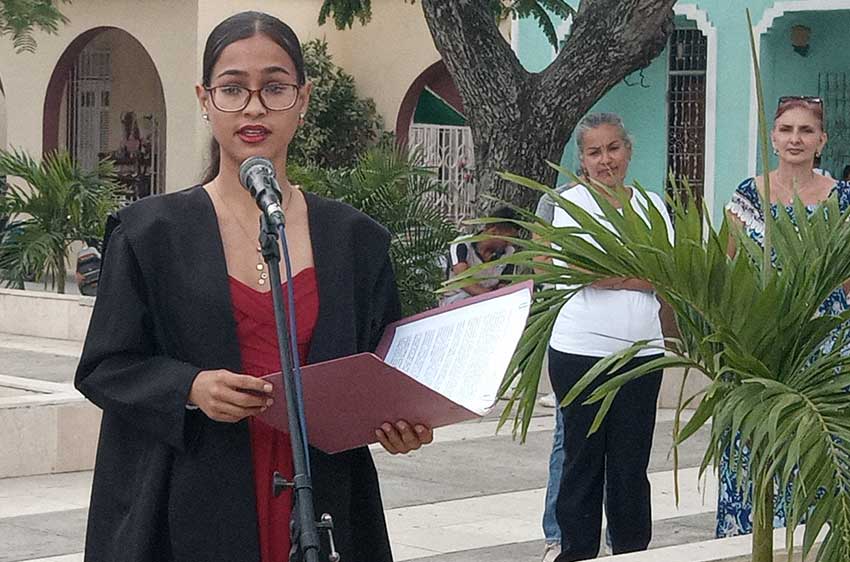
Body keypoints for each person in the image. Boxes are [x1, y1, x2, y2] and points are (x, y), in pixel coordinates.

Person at [74, 11, 432, 562]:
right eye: (233, 89)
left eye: (275, 87)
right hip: (193, 496)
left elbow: (386, 369)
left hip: (323, 497)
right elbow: (105, 367)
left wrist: (403, 421)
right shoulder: (149, 233)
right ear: (205, 97)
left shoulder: (355, 241)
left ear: (304, 98)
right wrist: (190, 387)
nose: (255, 107)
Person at [719, 95, 850, 538]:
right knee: (760, 444)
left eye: (806, 131)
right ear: (773, 138)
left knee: (819, 445)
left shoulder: (841, 199)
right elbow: (727, 268)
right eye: (787, 130)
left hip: (823, 345)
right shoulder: (747, 196)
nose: (796, 139)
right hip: (759, 341)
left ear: (821, 141)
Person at [545, 112, 673, 562]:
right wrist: (636, 274)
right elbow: (581, 270)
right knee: (582, 459)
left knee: (630, 465)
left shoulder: (651, 205)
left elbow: (668, 272)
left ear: (628, 150)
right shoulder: (569, 204)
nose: (606, 160)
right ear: (582, 159)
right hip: (581, 354)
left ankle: (632, 550)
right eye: (595, 152)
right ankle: (577, 551)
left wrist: (620, 273)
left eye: (613, 148)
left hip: (643, 356)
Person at [440, 206, 518, 306]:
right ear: (493, 232)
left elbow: (504, 284)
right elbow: (462, 279)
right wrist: (489, 297)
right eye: (509, 238)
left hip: (490, 302)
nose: (510, 243)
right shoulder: (462, 245)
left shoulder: (509, 253)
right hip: (456, 301)